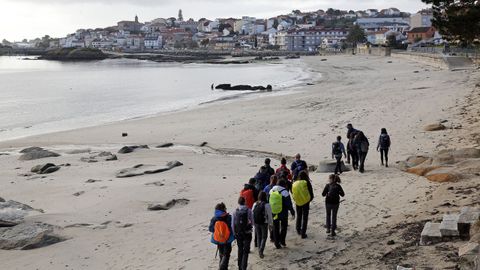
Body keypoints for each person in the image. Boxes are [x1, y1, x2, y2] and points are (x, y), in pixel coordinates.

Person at [269, 179, 295, 248]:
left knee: (276, 227)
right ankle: (282, 241)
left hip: (274, 212)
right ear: (284, 185)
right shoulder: (285, 192)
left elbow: (269, 201)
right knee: (284, 226)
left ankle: (277, 243)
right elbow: (289, 203)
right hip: (283, 212)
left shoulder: (271, 190)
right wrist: (292, 212)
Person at [209, 202, 235, 270]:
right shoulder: (229, 217)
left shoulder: (214, 218)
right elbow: (232, 228)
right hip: (227, 239)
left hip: (218, 240)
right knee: (227, 254)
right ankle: (222, 268)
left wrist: (218, 231)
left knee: (221, 254)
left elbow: (210, 229)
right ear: (224, 209)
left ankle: (222, 266)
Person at [231, 197, 254, 270]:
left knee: (240, 249)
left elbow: (232, 225)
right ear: (245, 202)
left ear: (238, 203)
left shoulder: (235, 212)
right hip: (247, 232)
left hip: (239, 233)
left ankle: (239, 266)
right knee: (246, 251)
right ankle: (244, 267)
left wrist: (234, 233)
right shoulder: (249, 211)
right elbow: (252, 222)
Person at [291, 171, 314, 239]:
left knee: (299, 216)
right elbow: (311, 193)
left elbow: (293, 193)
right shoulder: (306, 182)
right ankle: (303, 233)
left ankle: (298, 229)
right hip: (306, 202)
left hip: (298, 202)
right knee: (305, 218)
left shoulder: (295, 183)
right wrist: (309, 200)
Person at [252, 191, 273, 258]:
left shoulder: (255, 204)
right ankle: (261, 250)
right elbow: (270, 215)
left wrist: (253, 223)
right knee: (264, 237)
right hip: (264, 222)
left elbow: (253, 213)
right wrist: (271, 224)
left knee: (258, 236)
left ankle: (259, 250)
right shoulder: (267, 205)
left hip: (256, 222)